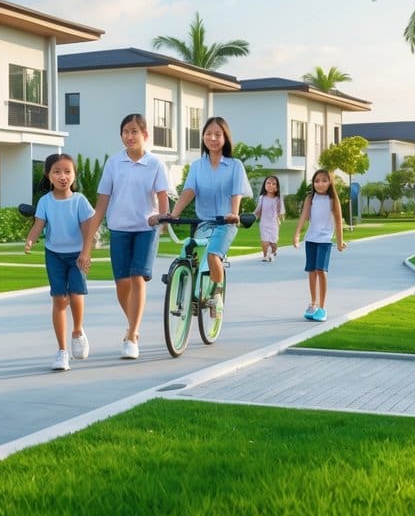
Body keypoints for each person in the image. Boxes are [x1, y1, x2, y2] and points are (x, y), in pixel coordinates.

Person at [83, 113, 170, 361]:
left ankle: (131, 336)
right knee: (122, 285)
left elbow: (163, 198)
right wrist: (87, 245)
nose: (129, 136)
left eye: (134, 131)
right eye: (125, 132)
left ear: (145, 135)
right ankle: (134, 325)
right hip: (119, 229)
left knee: (137, 277)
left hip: (146, 229)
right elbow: (101, 205)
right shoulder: (114, 163)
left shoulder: (155, 164)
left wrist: (162, 218)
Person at [158, 117, 251, 318]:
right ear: (203, 137)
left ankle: (216, 293)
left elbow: (236, 192)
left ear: (225, 138)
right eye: (208, 134)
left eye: (218, 134)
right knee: (190, 255)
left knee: (212, 254)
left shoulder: (235, 165)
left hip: (225, 223)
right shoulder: (197, 166)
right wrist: (174, 214)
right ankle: (189, 296)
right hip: (204, 222)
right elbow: (189, 191)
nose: (213, 138)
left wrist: (234, 213)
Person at [24, 153, 95, 371]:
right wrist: (30, 239)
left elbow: (88, 230)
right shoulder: (45, 201)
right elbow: (39, 224)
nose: (62, 176)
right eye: (57, 172)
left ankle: (78, 331)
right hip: (54, 254)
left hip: (76, 255)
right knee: (59, 299)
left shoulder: (79, 201)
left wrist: (86, 253)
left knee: (76, 294)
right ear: (48, 175)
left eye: (67, 171)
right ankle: (62, 351)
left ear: (74, 175)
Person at [292, 168, 346, 322]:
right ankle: (313, 304)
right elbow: (303, 217)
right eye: (317, 181)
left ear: (330, 182)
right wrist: (297, 235)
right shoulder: (310, 198)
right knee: (311, 271)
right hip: (310, 239)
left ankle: (322, 308)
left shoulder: (333, 200)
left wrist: (340, 241)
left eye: (324, 181)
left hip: (325, 240)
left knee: (321, 270)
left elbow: (338, 221)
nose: (320, 184)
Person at [254, 175, 284, 262]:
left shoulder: (278, 199)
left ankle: (273, 252)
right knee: (265, 240)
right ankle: (265, 256)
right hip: (264, 224)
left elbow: (281, 210)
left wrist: (280, 218)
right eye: (268, 183)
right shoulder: (262, 198)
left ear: (277, 187)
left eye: (274, 184)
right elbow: (258, 210)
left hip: (274, 224)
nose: (271, 185)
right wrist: (253, 216)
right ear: (264, 185)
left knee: (273, 242)